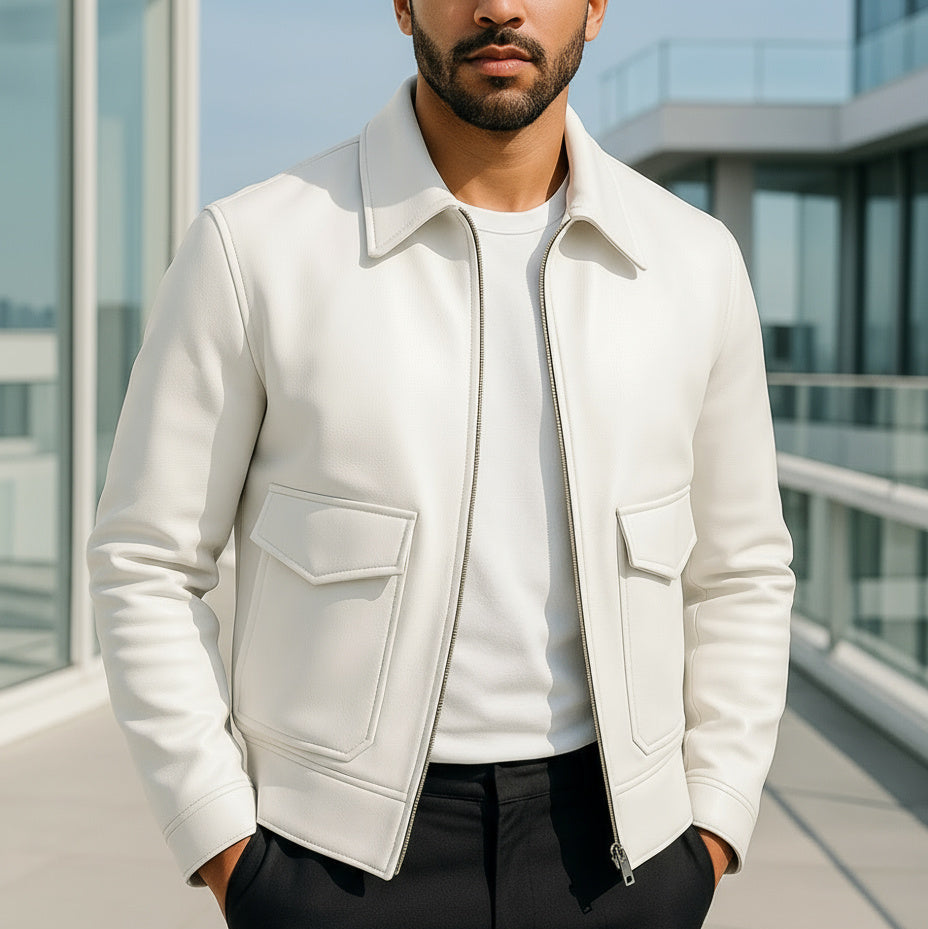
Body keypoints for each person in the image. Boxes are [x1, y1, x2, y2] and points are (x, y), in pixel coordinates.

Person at [88, 1, 795, 927]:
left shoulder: (694, 264)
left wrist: (710, 827)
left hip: (628, 851)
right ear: (402, 3)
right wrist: (228, 846)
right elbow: (145, 558)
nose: (499, 7)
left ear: (594, 5)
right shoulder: (254, 248)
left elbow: (742, 569)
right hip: (333, 858)